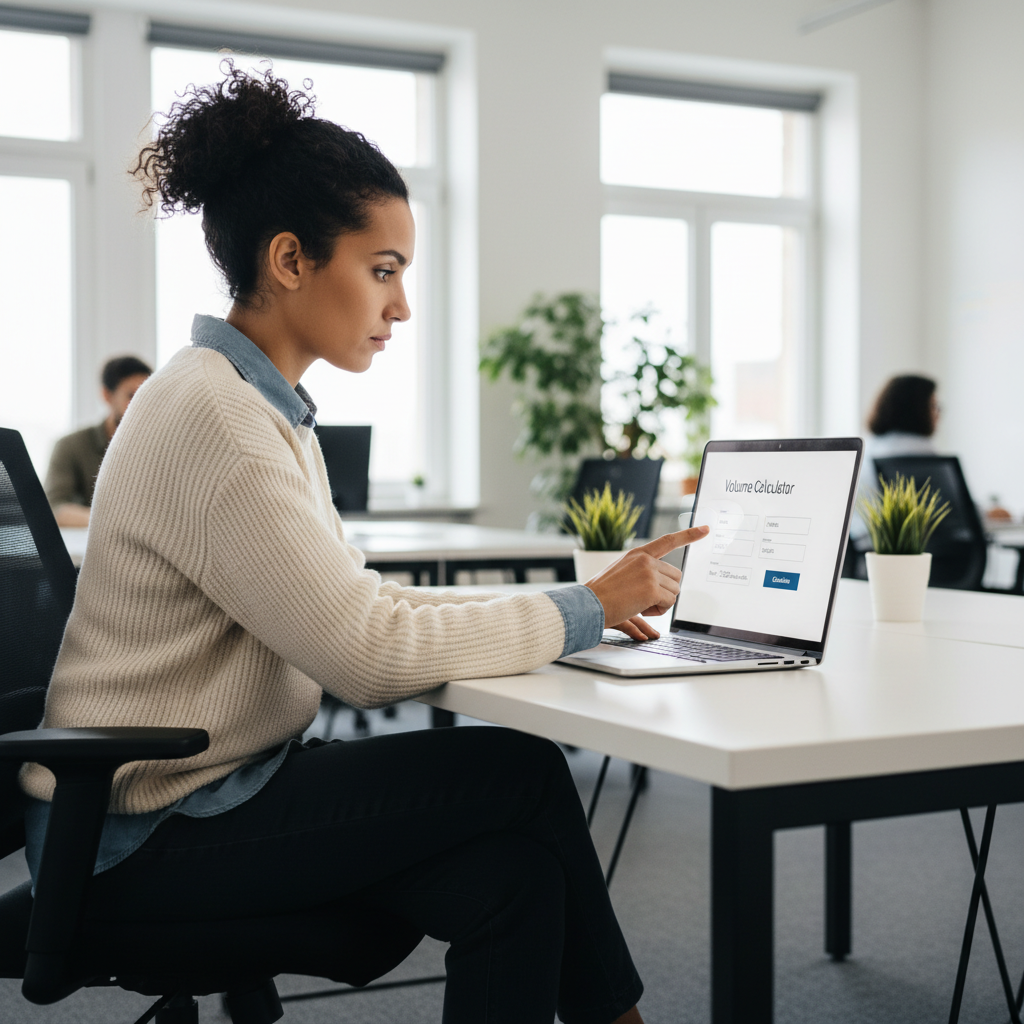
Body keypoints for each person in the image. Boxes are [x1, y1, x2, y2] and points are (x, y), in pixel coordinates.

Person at [20, 66, 710, 1024]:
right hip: (145, 828)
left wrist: (580, 602)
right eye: (383, 270)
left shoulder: (253, 403)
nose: (401, 307)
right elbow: (367, 655)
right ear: (292, 260)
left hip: (205, 790)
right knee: (516, 771)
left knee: (511, 876)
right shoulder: (216, 415)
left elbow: (360, 602)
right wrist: (581, 609)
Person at [44, 355, 152, 526]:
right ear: (107, 396)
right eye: (131, 395)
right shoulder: (70, 446)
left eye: (145, 396)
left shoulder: (159, 448)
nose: (140, 405)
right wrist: (116, 523)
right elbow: (53, 508)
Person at [849, 374, 940, 548]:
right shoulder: (922, 451)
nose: (938, 414)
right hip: (903, 552)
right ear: (917, 409)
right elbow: (954, 509)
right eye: (934, 406)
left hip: (861, 546)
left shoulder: (870, 446)